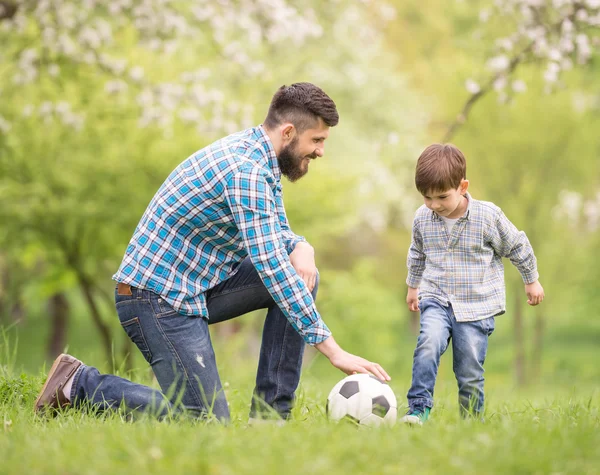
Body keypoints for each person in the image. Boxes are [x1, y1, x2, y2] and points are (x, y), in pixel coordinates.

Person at [34, 82, 390, 423]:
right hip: (155, 300)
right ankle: (79, 384)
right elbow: (270, 266)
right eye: (317, 140)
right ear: (287, 133)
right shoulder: (245, 171)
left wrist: (301, 245)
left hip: (194, 287)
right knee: (203, 421)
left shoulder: (258, 156)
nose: (320, 151)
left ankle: (269, 420)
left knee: (301, 277)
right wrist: (332, 350)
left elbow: (275, 231)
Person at [401, 143, 544, 425]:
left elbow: (517, 245)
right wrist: (413, 285)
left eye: (442, 196)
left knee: (469, 371)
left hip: (476, 306)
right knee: (428, 344)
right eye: (427, 197)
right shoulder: (422, 218)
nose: (434, 205)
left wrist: (531, 279)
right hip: (436, 298)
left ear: (462, 186)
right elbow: (417, 252)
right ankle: (418, 409)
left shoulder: (487, 217)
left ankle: (471, 422)